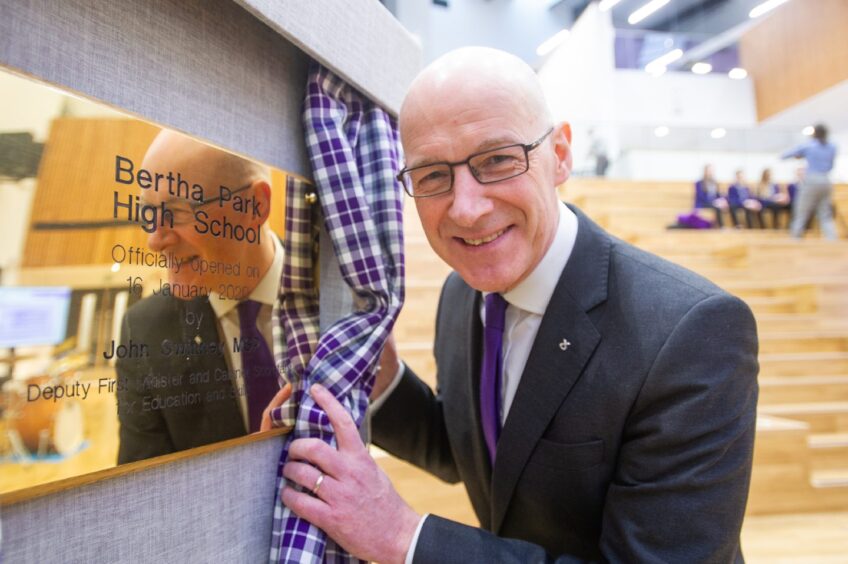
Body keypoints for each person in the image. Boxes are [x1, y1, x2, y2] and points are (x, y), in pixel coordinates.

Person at [276, 47, 758, 563]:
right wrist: (384, 377)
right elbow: (476, 451)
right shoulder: (461, 294)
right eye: (432, 175)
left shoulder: (692, 331)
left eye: (499, 159)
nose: (466, 208)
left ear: (561, 155)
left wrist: (406, 539)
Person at [116, 130, 285, 464]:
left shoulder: (336, 295)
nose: (155, 240)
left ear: (255, 206)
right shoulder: (146, 332)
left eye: (176, 212)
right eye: (149, 215)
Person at [781, 124, 838, 240]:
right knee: (825, 213)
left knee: (801, 210)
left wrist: (799, 155)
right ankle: (832, 239)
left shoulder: (809, 146)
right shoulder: (832, 147)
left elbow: (785, 155)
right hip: (826, 180)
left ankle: (795, 237)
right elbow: (831, 165)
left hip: (812, 180)